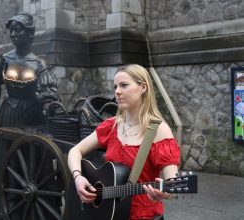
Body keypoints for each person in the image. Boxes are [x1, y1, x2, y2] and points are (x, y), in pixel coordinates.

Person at [0, 13, 59, 220]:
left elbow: (49, 96)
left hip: (33, 118)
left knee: (31, 162)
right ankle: (1, 210)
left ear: (30, 34)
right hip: (9, 116)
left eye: (18, 29)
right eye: (11, 30)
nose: (13, 34)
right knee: (6, 162)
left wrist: (51, 110)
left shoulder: (39, 64)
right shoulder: (3, 60)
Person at [68, 64, 181, 220]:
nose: (117, 91)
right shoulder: (111, 125)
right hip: (108, 213)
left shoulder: (158, 130)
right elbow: (75, 151)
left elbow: (172, 183)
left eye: (124, 85)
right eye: (115, 86)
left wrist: (165, 192)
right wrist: (78, 177)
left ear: (143, 87)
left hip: (142, 215)